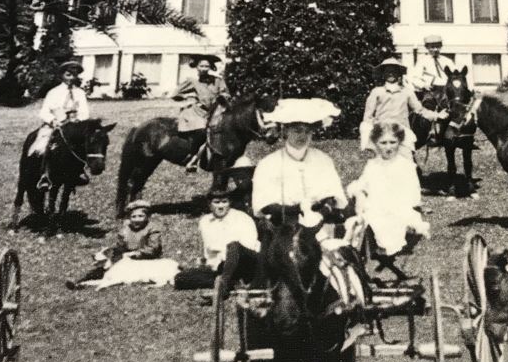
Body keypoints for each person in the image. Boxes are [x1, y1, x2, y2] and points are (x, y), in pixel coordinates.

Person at [253, 98, 369, 311]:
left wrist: (321, 213)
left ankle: (355, 301)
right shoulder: (269, 163)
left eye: (307, 130)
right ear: (285, 130)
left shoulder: (322, 160)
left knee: (342, 257)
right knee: (281, 260)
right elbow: (265, 205)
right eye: (296, 130)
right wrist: (294, 210)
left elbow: (334, 197)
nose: (302, 136)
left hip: (319, 226)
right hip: (282, 228)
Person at [347, 123, 430, 256]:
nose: (388, 147)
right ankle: (359, 253)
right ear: (375, 143)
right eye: (383, 143)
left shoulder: (406, 166)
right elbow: (363, 184)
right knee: (360, 220)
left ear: (399, 142)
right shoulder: (373, 165)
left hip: (398, 206)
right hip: (375, 206)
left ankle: (385, 247)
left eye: (392, 142)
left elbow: (413, 195)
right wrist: (359, 193)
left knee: (392, 221)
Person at [173, 184, 260, 291]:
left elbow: (248, 246)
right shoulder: (205, 222)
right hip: (218, 268)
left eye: (224, 202)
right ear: (209, 205)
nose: (221, 206)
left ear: (230, 202)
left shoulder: (242, 218)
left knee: (233, 246)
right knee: (180, 278)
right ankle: (229, 282)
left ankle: (224, 284)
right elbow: (207, 253)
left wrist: (227, 256)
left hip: (244, 264)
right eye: (216, 202)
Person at [65, 200, 163, 289]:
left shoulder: (152, 229)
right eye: (133, 217)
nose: (137, 219)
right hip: (128, 259)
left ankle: (93, 283)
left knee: (119, 273)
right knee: (105, 267)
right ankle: (81, 282)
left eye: (141, 216)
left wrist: (135, 253)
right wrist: (111, 254)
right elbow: (120, 246)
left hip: (145, 260)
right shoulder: (126, 229)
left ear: (147, 217)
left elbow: (153, 248)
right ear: (129, 218)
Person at [361, 58, 446, 158]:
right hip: (382, 131)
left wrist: (437, 115)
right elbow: (367, 116)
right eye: (388, 71)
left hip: (401, 131)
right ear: (383, 74)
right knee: (381, 160)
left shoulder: (407, 92)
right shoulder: (376, 92)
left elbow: (419, 110)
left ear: (399, 74)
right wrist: (376, 129)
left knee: (406, 159)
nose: (391, 74)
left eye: (394, 71)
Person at [30, 60, 90, 189]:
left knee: (84, 144)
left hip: (73, 126)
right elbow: (44, 112)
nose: (71, 78)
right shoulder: (54, 92)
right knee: (44, 145)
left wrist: (79, 119)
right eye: (68, 75)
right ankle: (45, 175)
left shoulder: (80, 93)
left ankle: (79, 172)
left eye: (74, 75)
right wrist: (53, 120)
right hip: (55, 125)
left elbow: (85, 112)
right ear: (62, 75)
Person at [172, 54, 229, 173]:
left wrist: (222, 97)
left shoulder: (218, 80)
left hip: (215, 111)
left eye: (206, 66)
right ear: (196, 67)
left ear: (211, 67)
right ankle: (193, 158)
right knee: (203, 130)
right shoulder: (192, 81)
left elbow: (226, 93)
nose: (204, 69)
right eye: (201, 66)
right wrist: (189, 96)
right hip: (197, 111)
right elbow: (175, 94)